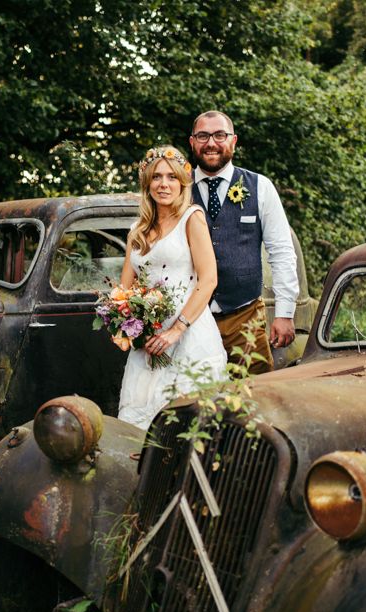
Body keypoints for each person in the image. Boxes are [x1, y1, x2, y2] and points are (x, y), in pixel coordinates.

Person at [117, 145, 228, 430]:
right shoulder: (136, 230)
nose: (163, 184)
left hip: (189, 333)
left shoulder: (192, 219)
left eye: (171, 177)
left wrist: (177, 329)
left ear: (182, 182)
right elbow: (124, 289)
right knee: (139, 424)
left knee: (185, 426)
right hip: (149, 342)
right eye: (156, 177)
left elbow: (209, 280)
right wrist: (121, 322)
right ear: (147, 184)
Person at [190, 110, 299, 374]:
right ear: (192, 142)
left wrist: (285, 313)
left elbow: (282, 251)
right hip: (191, 319)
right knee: (196, 399)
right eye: (203, 136)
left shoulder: (260, 186)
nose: (211, 143)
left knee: (254, 398)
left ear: (234, 141)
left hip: (245, 316)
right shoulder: (177, 188)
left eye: (220, 135)